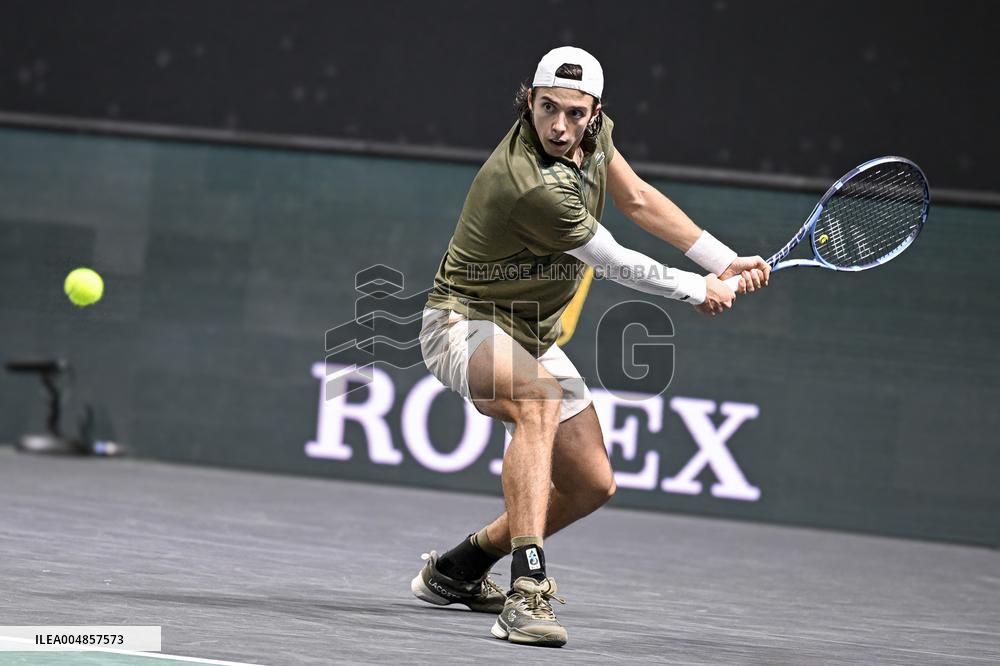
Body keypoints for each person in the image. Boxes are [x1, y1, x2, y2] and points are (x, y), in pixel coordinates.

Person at [411, 46, 769, 648]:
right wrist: (697, 289)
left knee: (592, 483)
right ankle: (527, 593)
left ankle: (460, 568)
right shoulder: (530, 184)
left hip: (530, 330)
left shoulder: (596, 135)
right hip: (459, 321)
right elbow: (615, 261)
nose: (559, 126)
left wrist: (721, 259)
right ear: (529, 99)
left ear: (595, 112)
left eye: (575, 114)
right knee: (538, 400)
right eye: (547, 108)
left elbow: (637, 200)